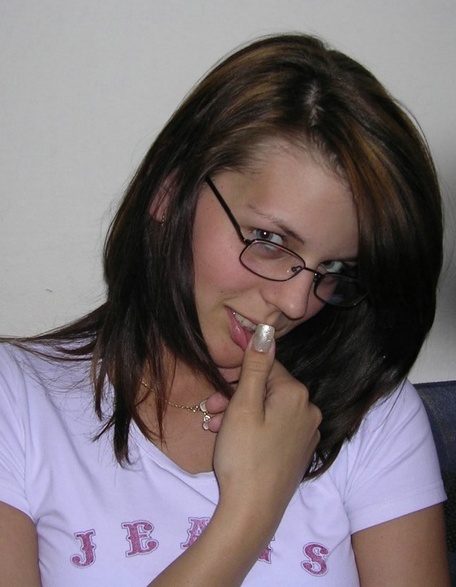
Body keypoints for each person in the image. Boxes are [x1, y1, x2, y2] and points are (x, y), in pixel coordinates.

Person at [0, 33, 450, 586]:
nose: (295, 303)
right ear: (171, 191)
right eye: (268, 239)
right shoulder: (18, 403)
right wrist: (249, 514)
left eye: (334, 269)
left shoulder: (373, 418)